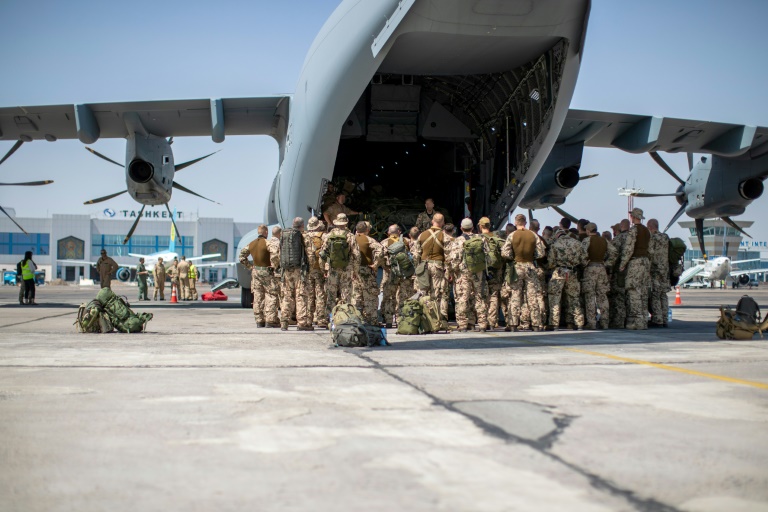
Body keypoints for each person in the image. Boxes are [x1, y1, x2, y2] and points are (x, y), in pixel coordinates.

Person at [501, 214, 546, 331]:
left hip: (517, 267)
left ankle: (512, 324)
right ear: (525, 223)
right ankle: (536, 324)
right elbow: (541, 253)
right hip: (530, 266)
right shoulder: (533, 235)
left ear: (516, 223)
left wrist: (513, 257)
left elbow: (505, 253)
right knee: (532, 296)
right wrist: (532, 256)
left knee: (515, 295)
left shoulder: (512, 235)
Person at [450, 218, 489, 332]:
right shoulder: (481, 238)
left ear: (461, 228)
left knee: (463, 297)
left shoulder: (458, 240)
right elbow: (487, 255)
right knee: (479, 297)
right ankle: (482, 324)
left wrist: (454, 271)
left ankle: (462, 324)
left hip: (464, 272)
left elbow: (454, 259)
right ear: (473, 228)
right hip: (478, 272)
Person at [619, 208, 654, 330]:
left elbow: (629, 248)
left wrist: (623, 263)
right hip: (645, 262)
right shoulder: (647, 231)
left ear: (633, 217)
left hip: (635, 262)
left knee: (633, 291)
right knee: (643, 292)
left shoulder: (633, 230)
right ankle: (643, 320)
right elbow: (650, 250)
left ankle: (637, 321)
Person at [239, 225, 280, 327]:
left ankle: (259, 320)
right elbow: (275, 253)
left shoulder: (251, 244)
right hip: (267, 272)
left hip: (256, 272)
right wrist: (275, 265)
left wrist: (250, 266)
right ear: (266, 232)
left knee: (258, 296)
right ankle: (270, 320)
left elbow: (241, 257)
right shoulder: (267, 243)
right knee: (271, 295)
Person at [320, 213, 360, 317]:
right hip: (347, 268)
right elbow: (356, 254)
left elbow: (323, 254)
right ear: (346, 222)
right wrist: (355, 271)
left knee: (331, 294)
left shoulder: (328, 236)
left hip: (332, 268)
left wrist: (324, 268)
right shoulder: (350, 236)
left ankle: (329, 317)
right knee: (346, 294)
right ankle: (345, 316)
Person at [546, 227, 586, 330]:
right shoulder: (577, 243)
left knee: (555, 298)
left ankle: (554, 324)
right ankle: (579, 323)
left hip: (559, 272)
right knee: (574, 298)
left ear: (557, 235)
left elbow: (551, 263)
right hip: (572, 272)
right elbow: (584, 259)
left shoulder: (555, 244)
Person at [279, 217, 314, 331]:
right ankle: (302, 323)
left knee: (287, 296)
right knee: (301, 295)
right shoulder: (303, 236)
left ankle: (284, 321)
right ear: (302, 226)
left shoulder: (284, 234)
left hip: (286, 269)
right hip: (299, 269)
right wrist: (311, 267)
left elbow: (280, 251)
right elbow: (310, 253)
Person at [581, 223, 617, 330]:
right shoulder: (603, 240)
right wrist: (607, 263)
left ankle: (591, 322)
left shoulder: (587, 241)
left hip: (590, 268)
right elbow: (614, 252)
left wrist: (584, 263)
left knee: (590, 296)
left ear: (588, 230)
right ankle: (605, 322)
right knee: (602, 296)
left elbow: (582, 254)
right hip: (602, 268)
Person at [413, 212, 448, 320]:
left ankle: (423, 317)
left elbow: (416, 254)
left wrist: (417, 267)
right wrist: (448, 270)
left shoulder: (422, 235)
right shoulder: (445, 236)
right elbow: (448, 254)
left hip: (424, 266)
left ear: (432, 221)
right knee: (436, 293)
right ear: (442, 223)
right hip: (438, 266)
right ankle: (436, 319)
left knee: (422, 292)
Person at [380, 224, 415, 328]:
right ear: (399, 232)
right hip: (405, 273)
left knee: (389, 296)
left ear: (388, 233)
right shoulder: (407, 241)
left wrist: (385, 267)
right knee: (403, 295)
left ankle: (389, 320)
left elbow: (379, 256)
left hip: (390, 273)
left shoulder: (384, 242)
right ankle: (401, 318)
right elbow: (413, 255)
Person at [352, 221, 383, 324]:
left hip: (352, 271)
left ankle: (356, 318)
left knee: (356, 295)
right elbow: (380, 250)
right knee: (370, 295)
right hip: (366, 270)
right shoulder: (369, 240)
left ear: (356, 230)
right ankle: (371, 319)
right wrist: (375, 264)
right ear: (367, 230)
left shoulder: (350, 239)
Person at [478, 217, 503, 329]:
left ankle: (482, 322)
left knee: (482, 295)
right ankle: (492, 322)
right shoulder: (497, 237)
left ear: (480, 226)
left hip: (482, 269)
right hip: (495, 270)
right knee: (494, 295)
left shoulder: (477, 238)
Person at [305, 217, 328, 328]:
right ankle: (321, 319)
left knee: (309, 295)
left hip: (308, 270)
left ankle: (308, 319)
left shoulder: (304, 236)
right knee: (320, 294)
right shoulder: (323, 236)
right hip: (319, 269)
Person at [648, 218, 670, 328]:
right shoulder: (665, 237)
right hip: (665, 270)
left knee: (655, 295)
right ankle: (665, 318)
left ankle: (658, 319)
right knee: (663, 295)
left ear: (650, 227)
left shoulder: (652, 238)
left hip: (655, 269)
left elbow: (650, 252)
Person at [609, 219, 631, 328]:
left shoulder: (618, 239)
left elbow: (613, 255)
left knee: (619, 297)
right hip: (633, 272)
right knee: (631, 297)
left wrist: (609, 268)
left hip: (620, 272)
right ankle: (630, 320)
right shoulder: (633, 237)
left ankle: (620, 322)